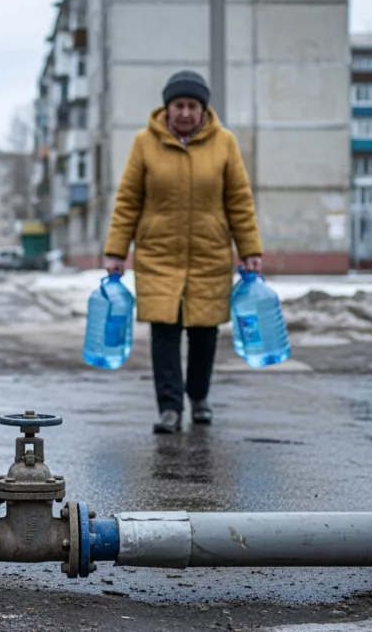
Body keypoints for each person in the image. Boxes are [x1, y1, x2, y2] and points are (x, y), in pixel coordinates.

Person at [103, 70, 263, 434]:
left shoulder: (225, 143)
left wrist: (249, 248)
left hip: (210, 253)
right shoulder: (145, 143)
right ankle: (170, 408)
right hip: (158, 253)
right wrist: (116, 251)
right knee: (165, 332)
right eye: (179, 105)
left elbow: (239, 200)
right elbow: (128, 201)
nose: (186, 113)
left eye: (193, 106)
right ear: (168, 107)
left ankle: (200, 398)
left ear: (203, 109)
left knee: (205, 333)